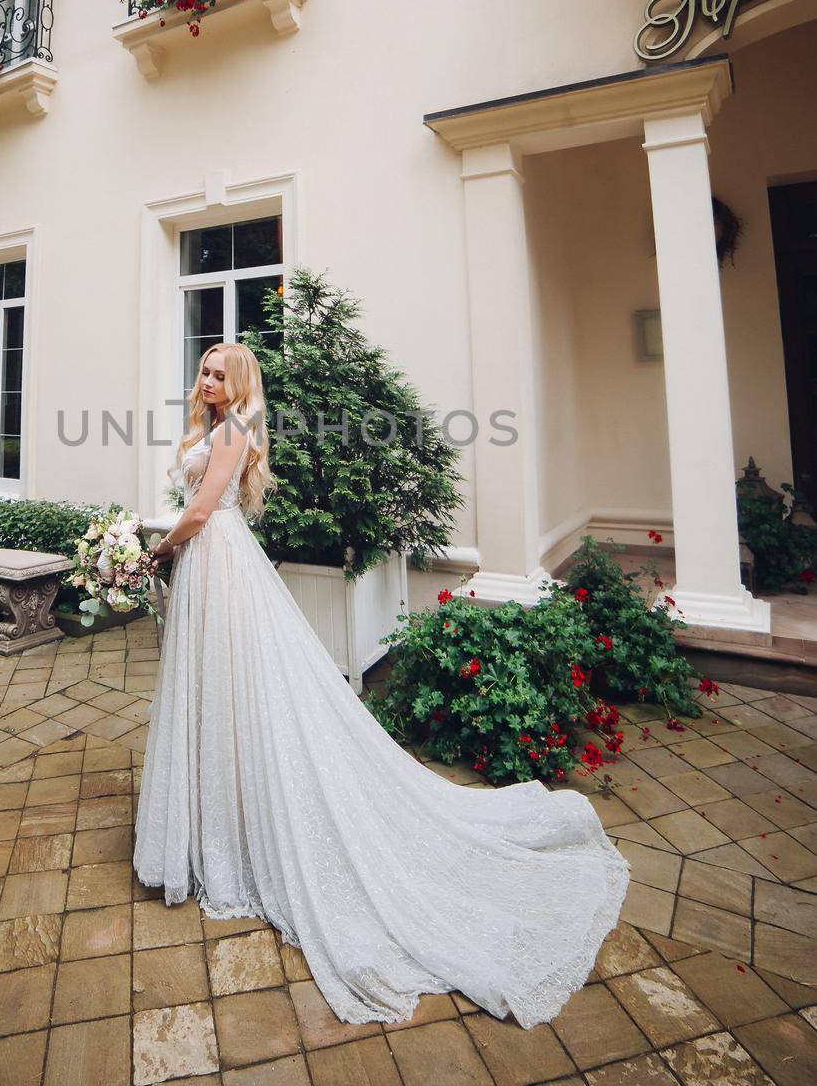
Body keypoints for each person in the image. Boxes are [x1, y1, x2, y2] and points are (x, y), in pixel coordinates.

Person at [134, 342, 630, 1028]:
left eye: (220, 372)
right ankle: (219, 814)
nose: (207, 378)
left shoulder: (235, 430)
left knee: (241, 685)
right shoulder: (212, 427)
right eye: (205, 369)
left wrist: (152, 552)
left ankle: (240, 821)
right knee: (215, 690)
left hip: (215, 559)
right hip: (212, 564)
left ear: (240, 383)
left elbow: (199, 510)